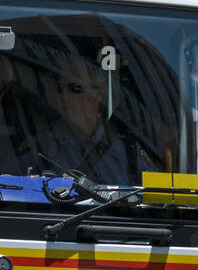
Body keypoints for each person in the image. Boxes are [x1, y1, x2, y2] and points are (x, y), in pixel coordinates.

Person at [30, 57, 153, 186]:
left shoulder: (128, 149)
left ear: (98, 94)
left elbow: (155, 191)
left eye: (75, 88)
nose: (63, 96)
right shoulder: (42, 147)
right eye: (60, 89)